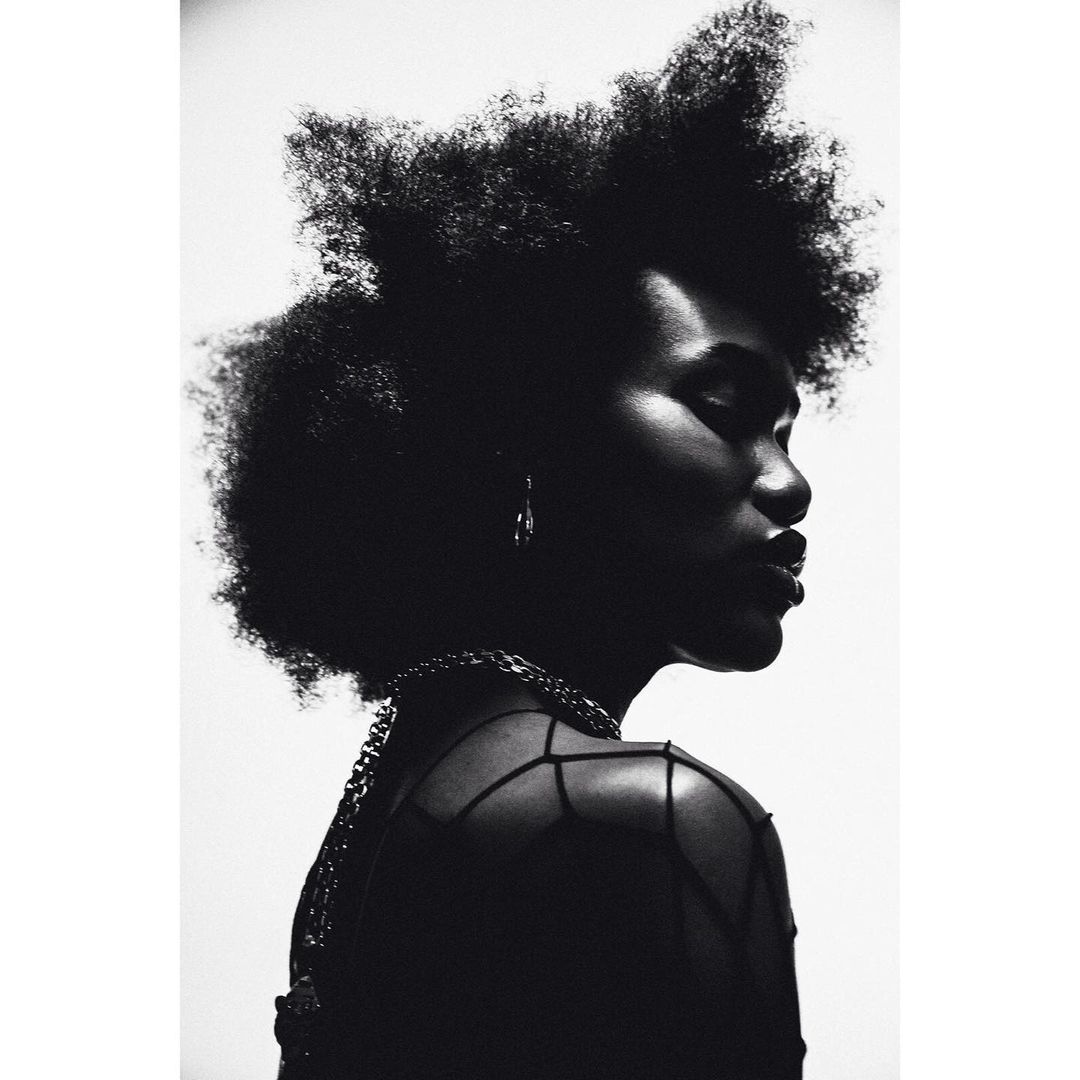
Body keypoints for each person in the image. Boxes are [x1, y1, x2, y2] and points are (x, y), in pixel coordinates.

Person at [196, 3, 877, 1076]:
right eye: (724, 408)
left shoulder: (388, 820)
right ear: (525, 430)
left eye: (789, 434)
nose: (790, 486)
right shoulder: (651, 822)